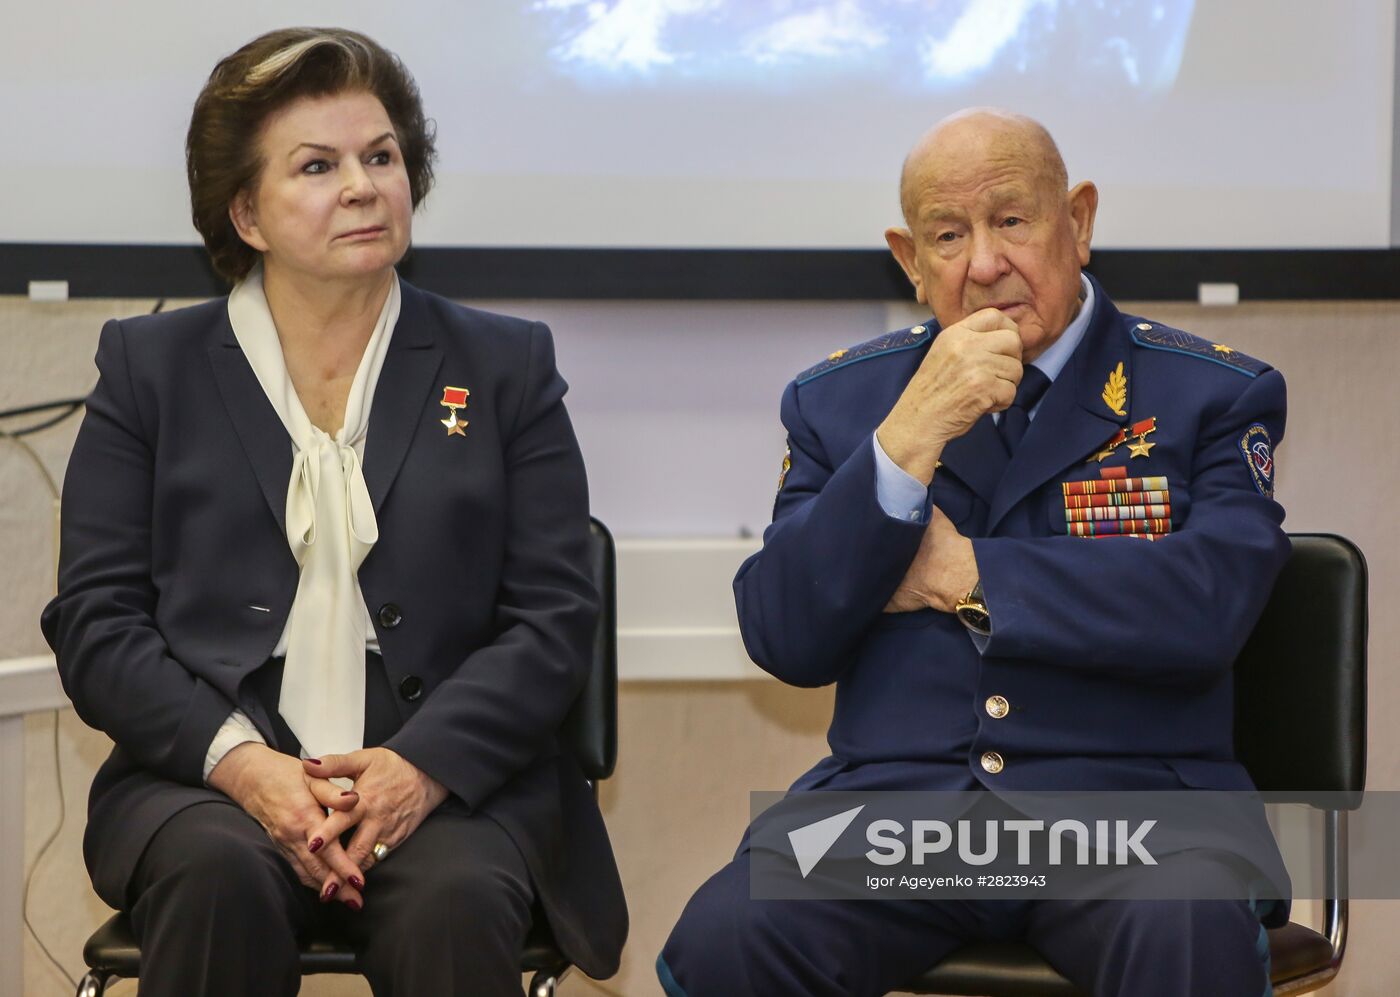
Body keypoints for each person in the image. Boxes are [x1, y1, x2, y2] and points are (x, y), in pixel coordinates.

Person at [40, 27, 626, 996]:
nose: (362, 185)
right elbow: (97, 625)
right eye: (317, 166)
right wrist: (245, 766)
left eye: (381, 157)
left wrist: (417, 770)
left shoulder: (504, 367)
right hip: (209, 780)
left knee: (452, 903)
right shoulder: (148, 373)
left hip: (448, 782)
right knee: (217, 872)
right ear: (247, 213)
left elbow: (555, 619)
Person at [659, 108, 1290, 996]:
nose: (985, 264)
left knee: (1183, 929)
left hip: (1136, 817)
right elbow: (783, 634)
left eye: (1013, 221)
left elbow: (1206, 605)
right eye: (948, 236)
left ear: (1080, 220)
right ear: (910, 262)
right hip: (897, 816)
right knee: (729, 936)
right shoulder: (842, 402)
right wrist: (908, 437)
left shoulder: (1209, 392)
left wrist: (969, 575)